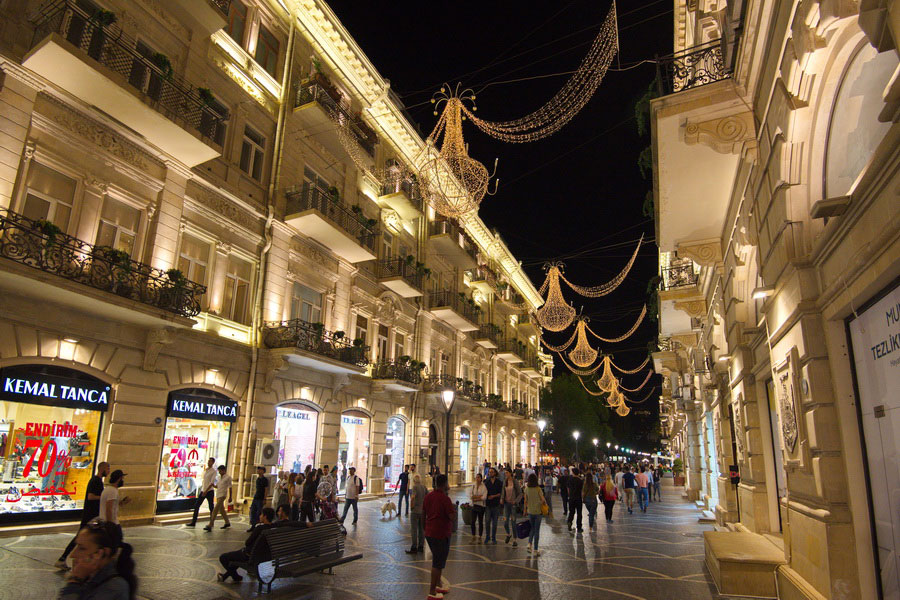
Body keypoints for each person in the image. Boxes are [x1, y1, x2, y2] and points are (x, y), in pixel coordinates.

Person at [59, 518, 137, 600]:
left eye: (82, 548)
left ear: (102, 553)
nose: (73, 554)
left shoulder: (113, 588)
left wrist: (74, 581)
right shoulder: (89, 577)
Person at [57, 461, 109, 569]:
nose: (108, 471)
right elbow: (91, 497)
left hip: (92, 514)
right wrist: (103, 497)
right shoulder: (96, 481)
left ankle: (76, 559)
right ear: (102, 469)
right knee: (81, 536)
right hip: (90, 514)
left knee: (86, 537)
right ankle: (64, 558)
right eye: (107, 469)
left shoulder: (97, 481)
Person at [219, 507, 275, 582]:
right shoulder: (274, 528)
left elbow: (247, 542)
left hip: (250, 556)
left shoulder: (259, 528)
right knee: (236, 558)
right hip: (265, 556)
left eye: (261, 514)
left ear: (265, 516)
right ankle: (228, 576)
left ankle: (235, 577)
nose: (260, 516)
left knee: (223, 557)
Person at [423, 474, 454, 600]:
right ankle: (432, 591)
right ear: (445, 484)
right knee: (437, 562)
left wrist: (424, 529)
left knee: (439, 560)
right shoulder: (445, 499)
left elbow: (423, 513)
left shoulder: (428, 496)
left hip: (430, 532)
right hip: (441, 533)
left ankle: (438, 585)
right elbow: (452, 516)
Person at [186, 457, 217, 527]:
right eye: (208, 461)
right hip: (203, 490)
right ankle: (193, 521)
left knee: (211, 507)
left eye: (210, 461)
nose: (209, 462)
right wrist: (203, 490)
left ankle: (211, 522)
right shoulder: (206, 470)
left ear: (213, 463)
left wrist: (206, 491)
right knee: (197, 505)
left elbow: (211, 482)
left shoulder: (213, 471)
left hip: (209, 491)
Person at [524, 473, 545, 556]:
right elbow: (543, 500)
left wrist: (525, 510)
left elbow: (525, 501)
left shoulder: (526, 489)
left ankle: (529, 543)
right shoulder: (538, 489)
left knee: (532, 528)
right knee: (537, 531)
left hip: (530, 511)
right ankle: (536, 550)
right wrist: (539, 503)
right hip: (538, 512)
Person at [205, 465, 232, 531]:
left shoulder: (228, 477)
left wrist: (230, 497)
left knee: (215, 509)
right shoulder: (219, 477)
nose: (219, 472)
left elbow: (230, 487)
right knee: (221, 510)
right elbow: (217, 486)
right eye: (219, 470)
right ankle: (227, 522)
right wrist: (213, 485)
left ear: (224, 470)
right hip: (218, 494)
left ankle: (211, 524)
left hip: (223, 495)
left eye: (220, 470)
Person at [501, 469, 523, 547]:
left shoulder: (515, 482)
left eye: (507, 472)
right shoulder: (505, 481)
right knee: (505, 521)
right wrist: (502, 499)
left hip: (513, 505)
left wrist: (516, 501)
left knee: (513, 522)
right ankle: (508, 534)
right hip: (506, 504)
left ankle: (514, 539)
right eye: (505, 473)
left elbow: (520, 493)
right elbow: (503, 491)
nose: (505, 474)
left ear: (510, 473)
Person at [406, 473, 427, 554]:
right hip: (422, 511)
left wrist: (411, 506)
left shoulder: (415, 487)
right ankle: (421, 546)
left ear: (414, 480)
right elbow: (427, 496)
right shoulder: (423, 487)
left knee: (414, 529)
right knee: (421, 529)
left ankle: (414, 547)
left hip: (415, 511)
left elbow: (413, 497)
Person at [483, 467, 502, 544]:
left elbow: (501, 493)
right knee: (487, 522)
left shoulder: (499, 482)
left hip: (496, 505)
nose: (491, 473)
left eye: (492, 472)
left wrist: (493, 496)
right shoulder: (486, 482)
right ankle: (487, 537)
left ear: (495, 473)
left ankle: (493, 537)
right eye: (490, 472)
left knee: (495, 523)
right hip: (488, 505)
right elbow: (484, 492)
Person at [248, 466, 268, 531]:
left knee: (258, 512)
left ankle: (257, 525)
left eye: (260, 470)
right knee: (252, 511)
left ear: (263, 471)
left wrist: (265, 498)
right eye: (258, 469)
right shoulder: (258, 479)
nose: (258, 470)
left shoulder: (265, 480)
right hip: (256, 497)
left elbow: (266, 489)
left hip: (260, 498)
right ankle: (253, 525)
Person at [470, 472, 486, 541]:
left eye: (478, 477)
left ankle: (480, 536)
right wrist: (478, 497)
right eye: (476, 477)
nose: (477, 478)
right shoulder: (473, 486)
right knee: (472, 521)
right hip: (474, 505)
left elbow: (484, 497)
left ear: (481, 478)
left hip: (481, 506)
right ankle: (473, 535)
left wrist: (476, 498)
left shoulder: (484, 486)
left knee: (480, 521)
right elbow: (471, 495)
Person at [566, 468, 584, 532]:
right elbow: (582, 491)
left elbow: (568, 489)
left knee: (571, 512)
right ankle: (579, 527)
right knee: (579, 513)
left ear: (573, 472)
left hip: (571, 498)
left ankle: (569, 521)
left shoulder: (570, 480)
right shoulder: (580, 481)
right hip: (578, 498)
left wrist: (570, 495)